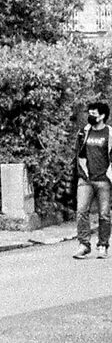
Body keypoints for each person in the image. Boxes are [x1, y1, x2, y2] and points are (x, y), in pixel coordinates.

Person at [71, 100, 112, 256]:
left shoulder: (109, 133)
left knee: (104, 214)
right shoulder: (84, 132)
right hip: (86, 179)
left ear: (102, 116)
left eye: (93, 114)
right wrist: (81, 172)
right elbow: (78, 153)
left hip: (104, 180)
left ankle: (103, 245)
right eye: (89, 113)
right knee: (81, 211)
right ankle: (84, 244)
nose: (90, 116)